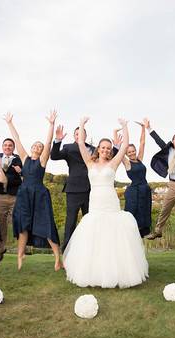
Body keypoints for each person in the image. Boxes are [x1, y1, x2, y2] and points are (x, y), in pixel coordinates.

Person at [64, 116, 148, 289]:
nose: (106, 150)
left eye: (108, 148)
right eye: (103, 147)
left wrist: (125, 126)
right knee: (95, 235)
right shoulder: (89, 162)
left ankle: (118, 272)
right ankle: (95, 273)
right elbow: (81, 144)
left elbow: (124, 146)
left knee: (113, 235)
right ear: (98, 149)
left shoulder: (114, 163)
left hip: (111, 202)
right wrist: (81, 124)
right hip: (95, 203)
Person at [3, 110, 62, 271]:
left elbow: (48, 143)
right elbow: (17, 139)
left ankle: (58, 257)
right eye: (35, 145)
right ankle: (20, 257)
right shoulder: (25, 158)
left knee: (46, 224)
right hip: (24, 195)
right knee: (23, 225)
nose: (38, 147)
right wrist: (9, 123)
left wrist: (51, 124)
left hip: (40, 195)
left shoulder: (42, 160)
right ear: (31, 148)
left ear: (42, 151)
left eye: (40, 146)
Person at [0, 138, 23, 263]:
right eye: (5, 145)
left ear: (13, 148)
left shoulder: (19, 159)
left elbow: (27, 174)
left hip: (15, 196)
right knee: (0, 223)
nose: (7, 147)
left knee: (19, 221)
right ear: (2, 147)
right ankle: (0, 249)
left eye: (10, 145)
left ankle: (22, 249)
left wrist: (21, 171)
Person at [122, 118, 152, 237]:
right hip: (134, 191)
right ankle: (131, 234)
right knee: (134, 213)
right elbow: (120, 148)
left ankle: (144, 233)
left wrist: (143, 128)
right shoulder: (127, 163)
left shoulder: (139, 158)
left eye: (133, 151)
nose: (131, 153)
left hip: (145, 189)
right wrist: (123, 129)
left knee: (144, 211)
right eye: (129, 152)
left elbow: (142, 143)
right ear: (126, 154)